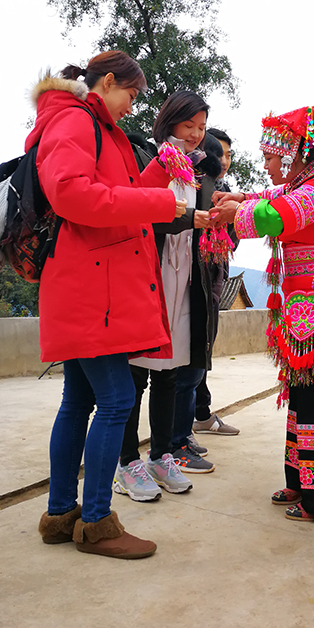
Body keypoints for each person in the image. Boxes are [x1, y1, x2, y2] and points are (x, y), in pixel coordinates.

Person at [34, 50, 186, 559]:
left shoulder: (93, 126)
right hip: (89, 289)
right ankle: (96, 521)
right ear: (109, 81)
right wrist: (164, 202)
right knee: (117, 400)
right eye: (132, 94)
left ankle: (61, 515)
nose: (132, 105)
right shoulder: (75, 121)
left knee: (79, 402)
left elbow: (118, 198)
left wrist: (161, 173)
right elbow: (75, 196)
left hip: (86, 286)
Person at [211, 106, 314, 522]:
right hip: (308, 313)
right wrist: (240, 198)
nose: (265, 166)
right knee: (304, 397)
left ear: (291, 154)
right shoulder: (301, 185)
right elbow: (268, 200)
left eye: (268, 157)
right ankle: (301, 480)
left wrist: (238, 213)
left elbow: (279, 215)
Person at [115, 90, 224, 504]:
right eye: (188, 127)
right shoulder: (155, 160)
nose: (196, 135)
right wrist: (183, 219)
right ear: (171, 123)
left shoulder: (196, 170)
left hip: (183, 283)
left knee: (170, 372)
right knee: (136, 375)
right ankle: (127, 462)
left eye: (200, 128)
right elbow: (136, 215)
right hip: (151, 277)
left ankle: (160, 454)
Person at [192, 127, 240, 436]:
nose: (223, 160)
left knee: (204, 348)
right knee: (195, 351)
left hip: (214, 277)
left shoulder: (224, 191)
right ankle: (194, 419)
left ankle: (201, 413)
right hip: (196, 277)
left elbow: (232, 241)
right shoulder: (197, 186)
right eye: (218, 153)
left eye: (227, 154)